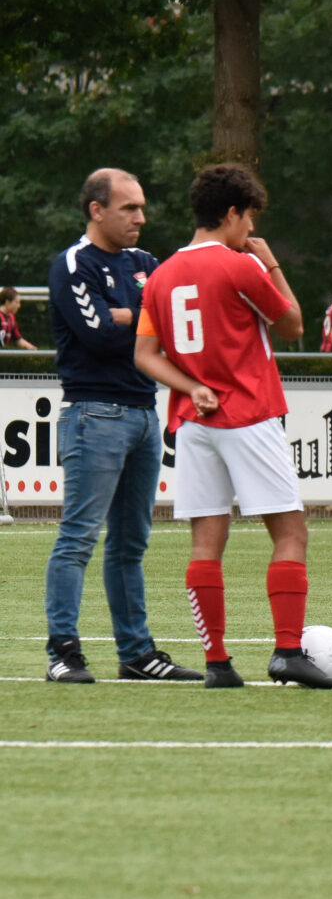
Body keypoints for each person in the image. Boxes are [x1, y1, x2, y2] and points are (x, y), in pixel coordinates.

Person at [130, 164, 332, 687]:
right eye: (249, 218)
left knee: (206, 542)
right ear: (230, 213)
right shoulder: (241, 266)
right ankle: (287, 652)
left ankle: (217, 663)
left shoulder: (161, 276)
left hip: (193, 421)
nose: (251, 229)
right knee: (290, 532)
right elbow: (291, 325)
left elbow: (144, 354)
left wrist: (190, 386)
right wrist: (271, 265)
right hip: (248, 413)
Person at [44, 168, 198, 683]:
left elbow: (171, 324)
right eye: (129, 208)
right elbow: (100, 337)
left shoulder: (144, 262)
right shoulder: (73, 264)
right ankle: (63, 652)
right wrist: (141, 317)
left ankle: (136, 653)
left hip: (143, 413)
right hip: (94, 413)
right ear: (97, 210)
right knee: (78, 538)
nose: (141, 217)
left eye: (141, 207)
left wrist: (125, 315)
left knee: (131, 544)